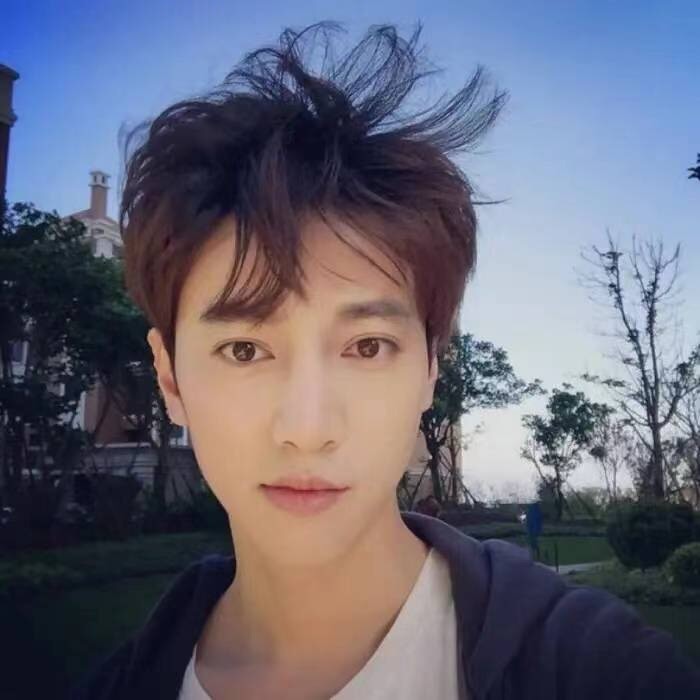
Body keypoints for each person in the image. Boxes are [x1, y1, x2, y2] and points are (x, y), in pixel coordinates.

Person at [69, 21, 700, 700]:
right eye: (244, 349)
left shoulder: (600, 670)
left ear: (430, 367)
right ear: (170, 377)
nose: (308, 428)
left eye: (367, 346)